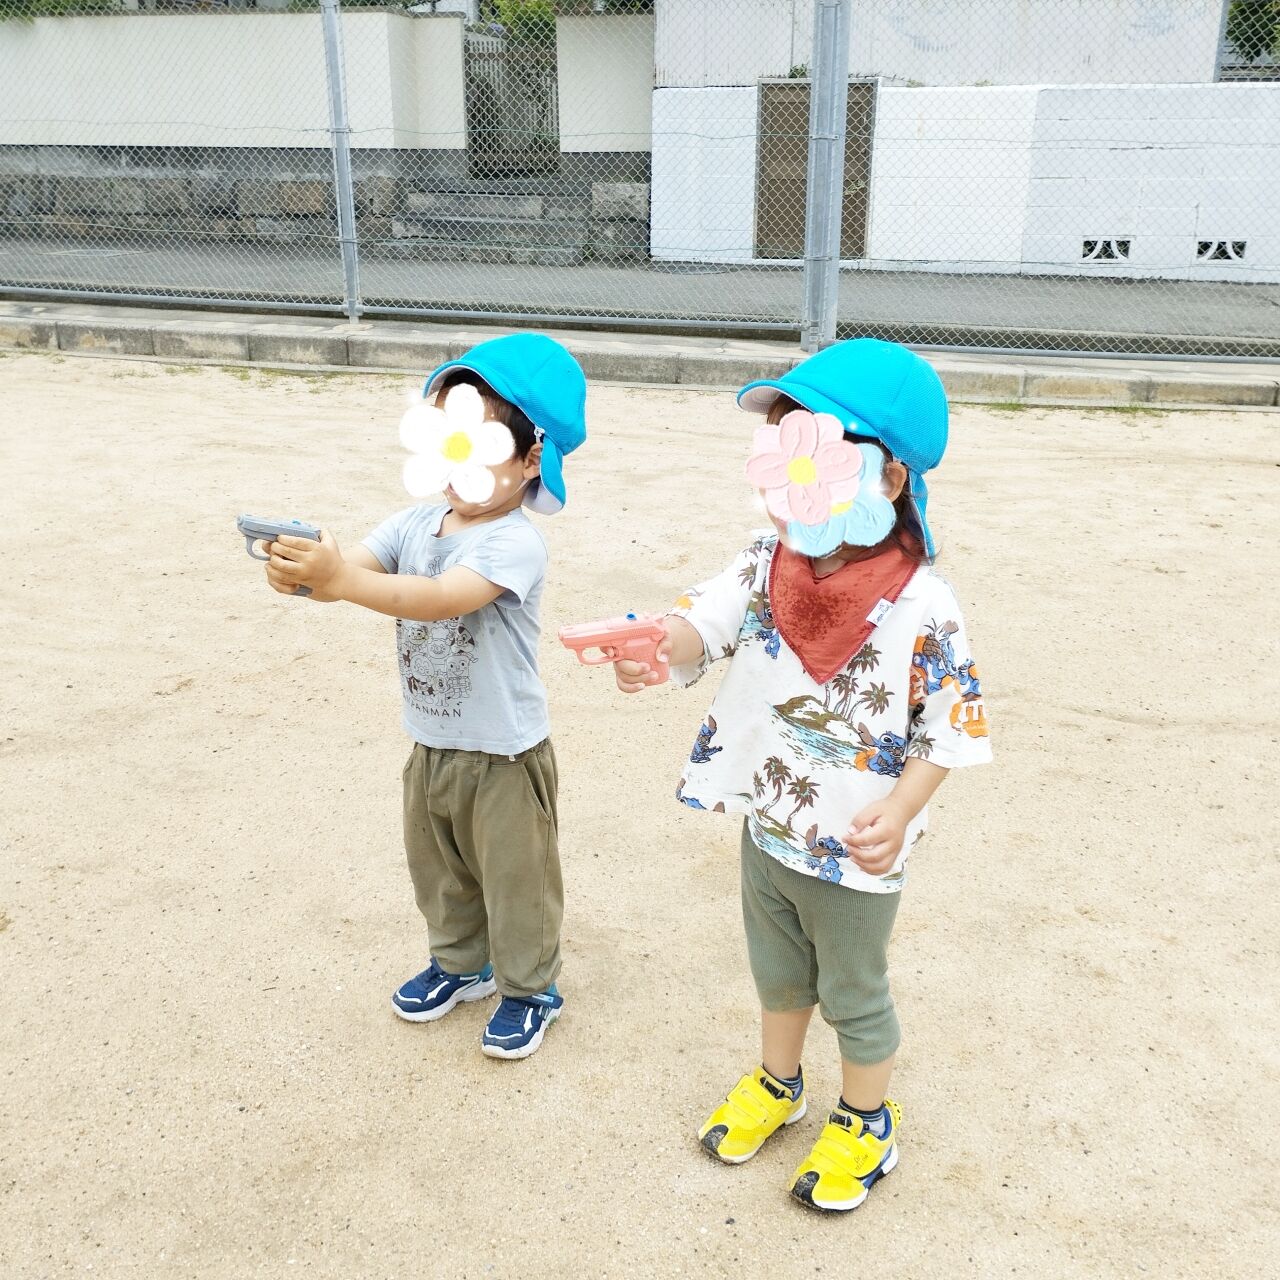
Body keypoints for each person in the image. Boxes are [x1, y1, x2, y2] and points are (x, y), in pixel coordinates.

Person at [600, 338, 990, 1210]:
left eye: (815, 457)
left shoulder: (924, 602)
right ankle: (780, 1084)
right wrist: (655, 647)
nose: (790, 484)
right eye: (781, 457)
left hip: (855, 846)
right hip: (769, 825)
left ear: (891, 477)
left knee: (854, 991)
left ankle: (867, 1120)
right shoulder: (762, 562)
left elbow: (949, 724)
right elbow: (703, 622)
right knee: (778, 975)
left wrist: (903, 807)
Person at [261, 332, 586, 1060]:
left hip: (504, 754)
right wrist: (309, 573)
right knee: (439, 867)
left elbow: (440, 597)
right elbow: (357, 572)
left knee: (516, 877)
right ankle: (461, 962)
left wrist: (340, 580)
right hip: (433, 740)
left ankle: (531, 987)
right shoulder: (413, 522)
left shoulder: (514, 542)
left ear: (532, 459)